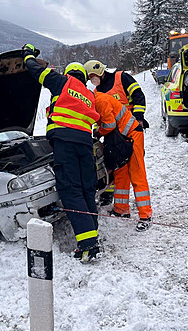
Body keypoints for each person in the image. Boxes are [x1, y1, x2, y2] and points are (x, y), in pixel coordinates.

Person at [22, 44, 101, 263]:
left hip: (65, 143)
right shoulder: (88, 94)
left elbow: (34, 69)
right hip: (85, 144)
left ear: (68, 73)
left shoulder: (63, 82)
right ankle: (92, 239)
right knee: (86, 191)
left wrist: (28, 52)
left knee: (70, 191)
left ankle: (87, 246)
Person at [84, 59, 148, 206]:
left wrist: (139, 118)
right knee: (118, 170)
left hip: (130, 130)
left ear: (99, 72)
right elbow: (100, 117)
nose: (91, 80)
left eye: (92, 76)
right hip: (113, 135)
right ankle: (120, 207)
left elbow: (139, 96)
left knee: (136, 170)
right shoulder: (97, 92)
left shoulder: (122, 78)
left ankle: (145, 214)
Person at [93, 91, 153, 231]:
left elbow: (109, 125)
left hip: (133, 136)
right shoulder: (97, 101)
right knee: (120, 172)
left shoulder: (100, 101)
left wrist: (98, 133)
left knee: (137, 173)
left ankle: (145, 216)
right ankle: (121, 209)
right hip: (121, 138)